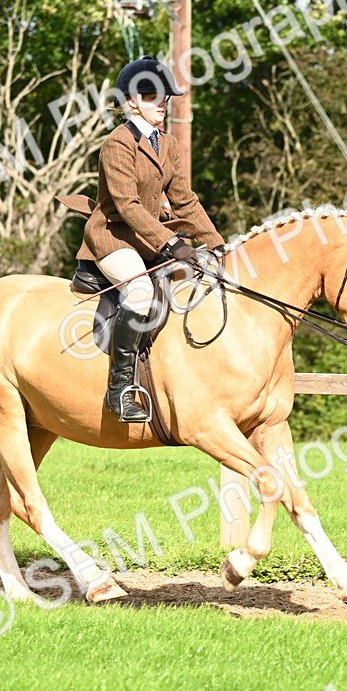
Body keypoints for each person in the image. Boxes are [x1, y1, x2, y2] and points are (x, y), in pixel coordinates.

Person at [73, 56, 226, 423]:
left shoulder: (168, 144)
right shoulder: (117, 144)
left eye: (164, 96)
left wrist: (217, 244)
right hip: (113, 238)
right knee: (140, 292)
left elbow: (185, 200)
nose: (161, 102)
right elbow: (126, 206)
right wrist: (170, 243)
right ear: (130, 102)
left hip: (147, 240)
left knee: (197, 282)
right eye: (150, 95)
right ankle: (120, 390)